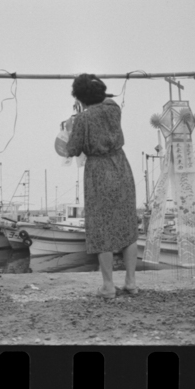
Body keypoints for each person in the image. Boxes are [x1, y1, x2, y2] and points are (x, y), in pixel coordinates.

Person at [65, 73, 138, 299]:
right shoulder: (114, 108)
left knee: (101, 228)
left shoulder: (82, 119)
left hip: (98, 172)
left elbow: (72, 149)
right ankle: (131, 282)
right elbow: (105, 100)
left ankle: (108, 286)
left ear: (80, 98)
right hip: (121, 167)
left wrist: (70, 127)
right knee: (127, 227)